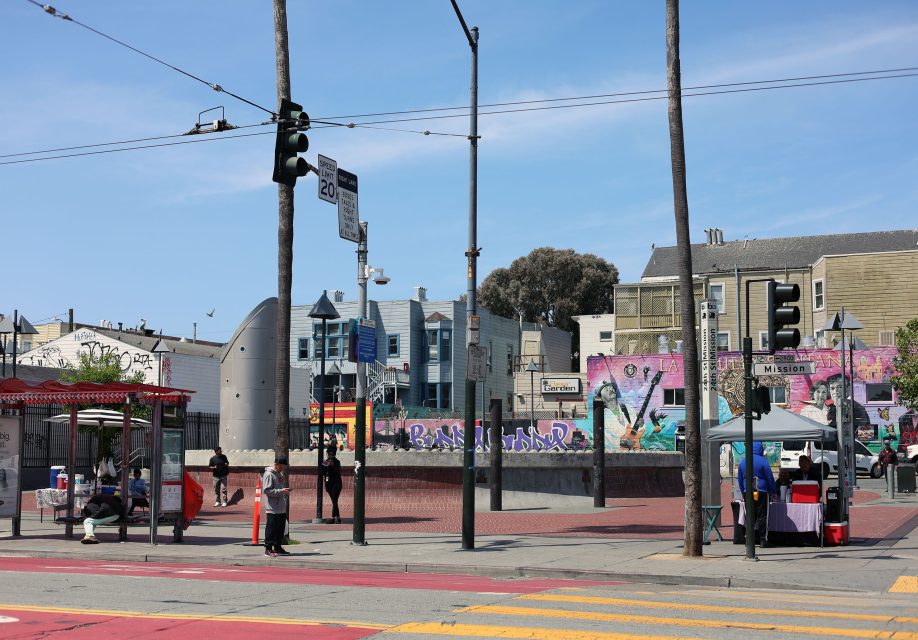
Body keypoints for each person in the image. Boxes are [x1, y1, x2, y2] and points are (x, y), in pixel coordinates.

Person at [737, 442, 777, 546]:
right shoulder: (763, 461)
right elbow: (770, 477)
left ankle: (749, 539)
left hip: (748, 492)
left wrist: (743, 491)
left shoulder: (743, 462)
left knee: (750, 516)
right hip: (762, 492)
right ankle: (763, 539)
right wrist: (773, 490)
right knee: (763, 516)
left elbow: (740, 479)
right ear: (760, 449)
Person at [262, 456, 291, 557]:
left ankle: (278, 547)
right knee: (271, 528)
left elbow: (279, 487)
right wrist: (281, 491)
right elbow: (267, 490)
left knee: (280, 528)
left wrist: (284, 490)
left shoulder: (279, 474)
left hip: (281, 506)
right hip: (272, 507)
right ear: (276, 465)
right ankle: (268, 548)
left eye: (283, 466)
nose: (283, 468)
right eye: (281, 466)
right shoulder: (269, 474)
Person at [322, 445, 343, 524]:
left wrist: (333, 466)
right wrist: (324, 466)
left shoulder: (337, 462)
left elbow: (338, 473)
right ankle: (337, 517)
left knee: (334, 499)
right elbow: (322, 473)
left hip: (336, 484)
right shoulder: (326, 461)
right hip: (329, 484)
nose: (331, 456)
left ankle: (333, 517)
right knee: (334, 500)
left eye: (332, 455)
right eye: (329, 454)